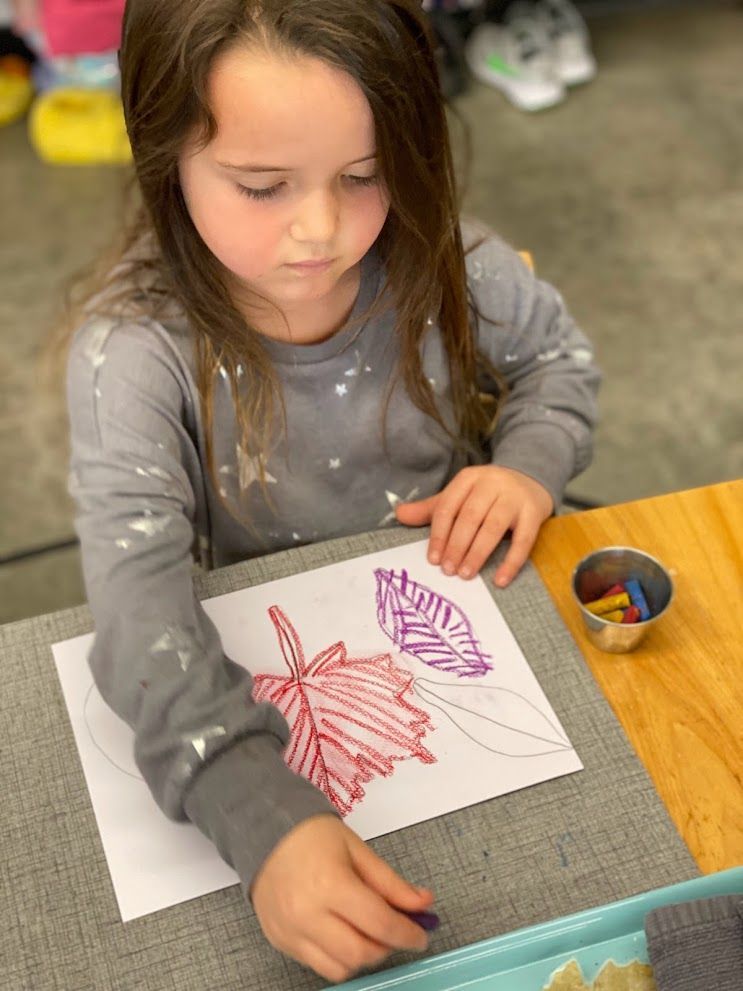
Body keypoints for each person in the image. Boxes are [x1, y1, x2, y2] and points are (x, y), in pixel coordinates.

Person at [61, 0, 600, 982]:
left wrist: (525, 463)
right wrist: (252, 808)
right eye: (261, 185)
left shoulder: (450, 259)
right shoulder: (131, 353)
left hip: (469, 627)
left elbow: (557, 361)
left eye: (363, 175)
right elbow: (137, 612)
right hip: (274, 662)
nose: (321, 229)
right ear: (163, 159)